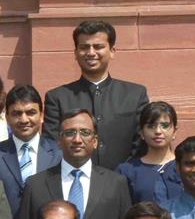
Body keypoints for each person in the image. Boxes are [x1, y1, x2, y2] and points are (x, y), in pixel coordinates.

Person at [19, 109, 131, 219]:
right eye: (70, 132)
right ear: (59, 140)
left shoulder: (116, 183)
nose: (77, 139)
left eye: (85, 132)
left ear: (95, 140)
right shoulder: (36, 184)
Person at [42, 21, 149, 170]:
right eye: (84, 47)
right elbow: (53, 146)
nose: (91, 53)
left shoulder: (135, 95)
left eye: (98, 47)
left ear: (112, 51)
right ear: (75, 53)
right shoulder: (58, 97)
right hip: (74, 183)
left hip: (124, 183)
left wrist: (122, 175)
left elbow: (142, 143)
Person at [0, 85, 62, 217]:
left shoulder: (60, 154)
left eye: (31, 113)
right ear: (7, 117)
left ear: (42, 115)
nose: (24, 120)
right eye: (17, 113)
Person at [116, 101, 182, 204]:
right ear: (141, 132)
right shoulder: (126, 171)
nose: (158, 131)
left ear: (174, 131)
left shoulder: (186, 167)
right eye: (151, 126)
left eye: (165, 126)